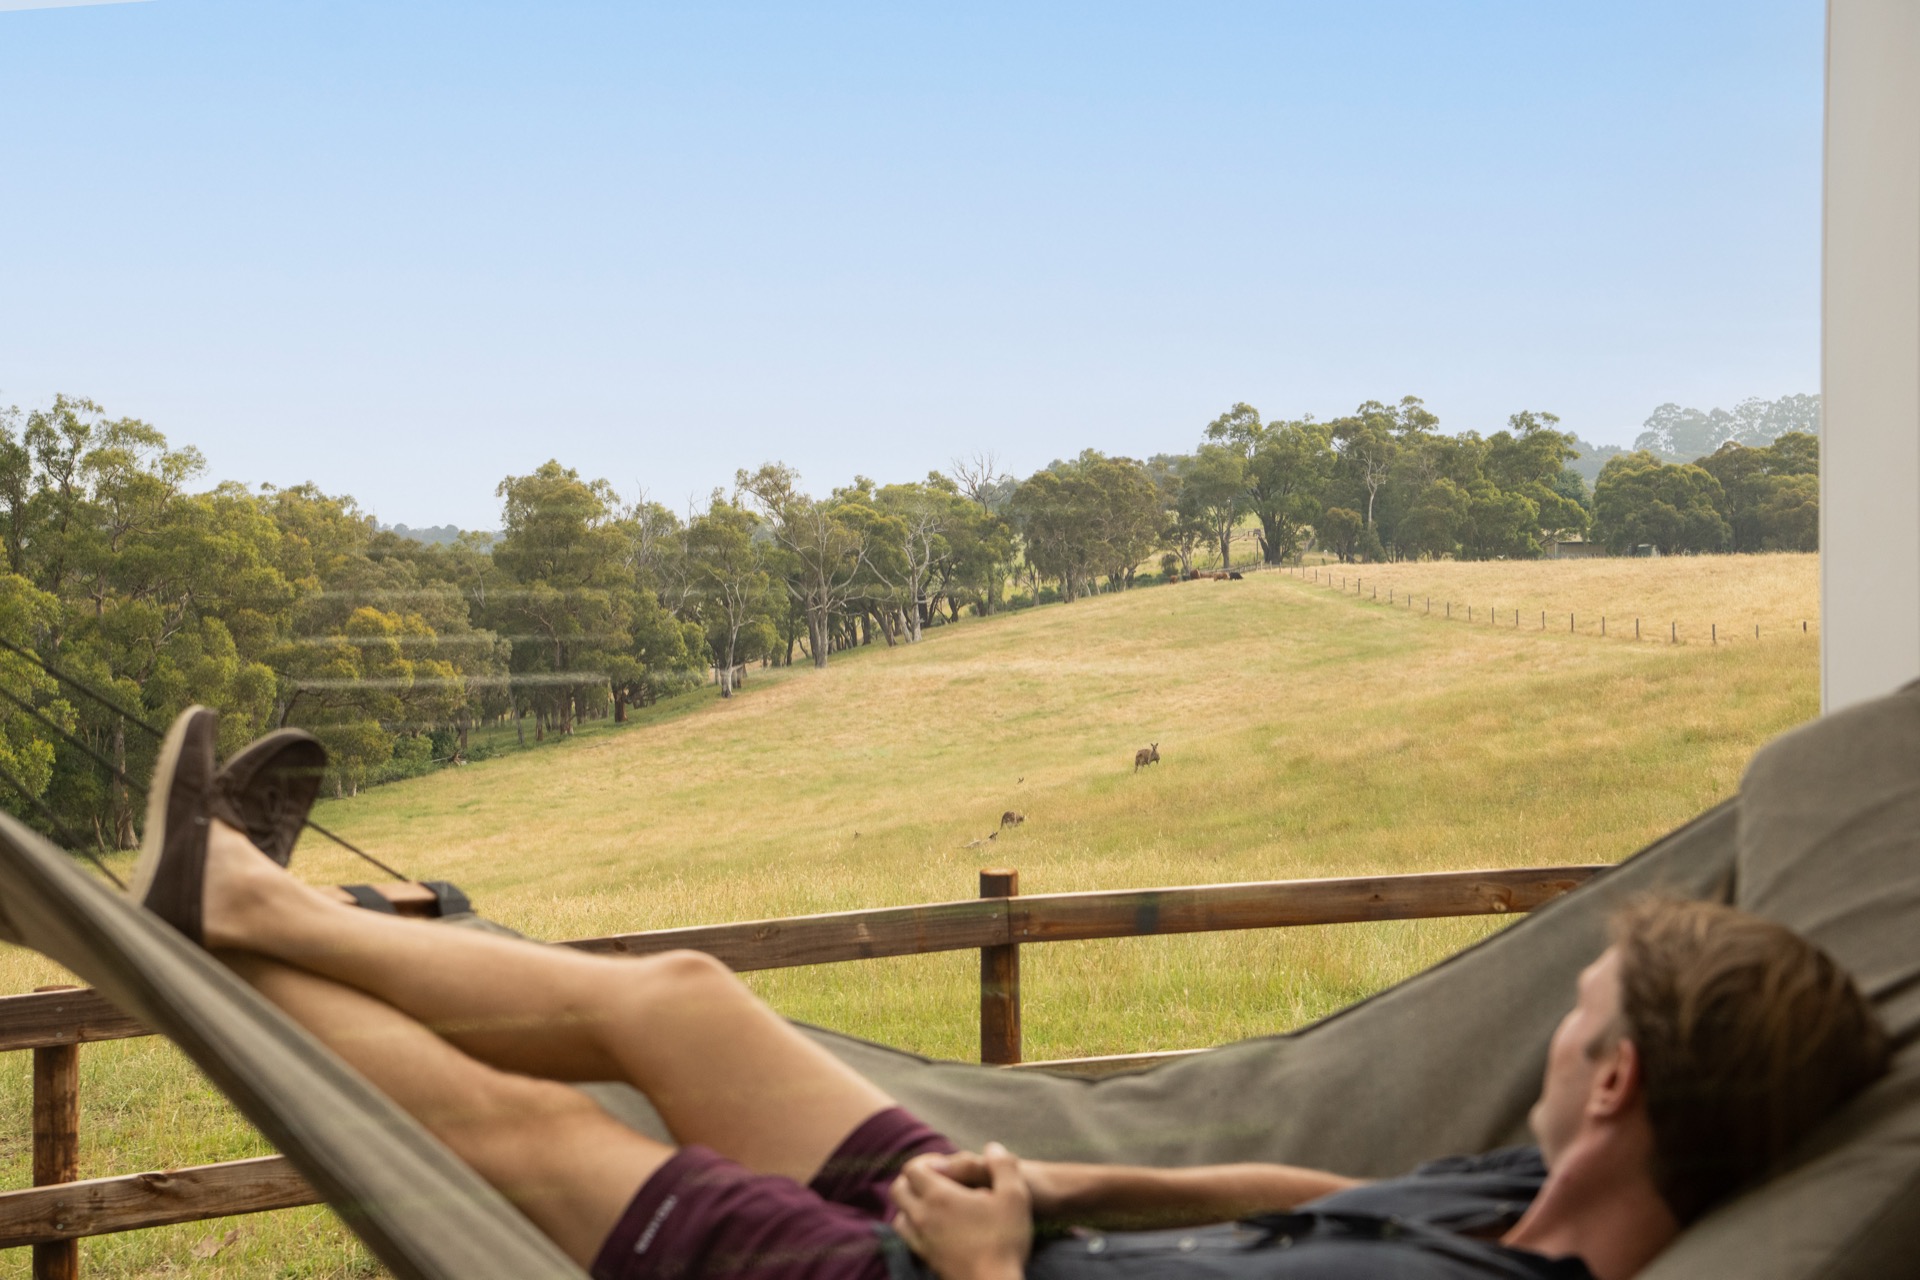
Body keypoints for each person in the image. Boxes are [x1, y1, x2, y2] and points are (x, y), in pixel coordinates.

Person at [132, 709, 1890, 1280]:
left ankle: (209, 930)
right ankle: (248, 895)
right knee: (672, 1000)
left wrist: (977, 1271)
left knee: (531, 1127)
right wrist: (1059, 1182)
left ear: (1614, 1086)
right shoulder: (1533, 1206)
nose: (1560, 1019)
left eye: (1583, 1011)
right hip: (1004, 1225)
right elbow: (1314, 1194)